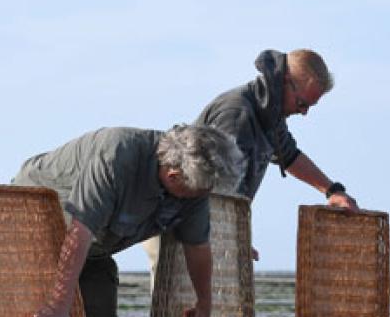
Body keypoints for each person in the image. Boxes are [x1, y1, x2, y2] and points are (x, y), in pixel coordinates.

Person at [13, 124, 240, 317]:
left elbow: (197, 246)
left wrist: (204, 302)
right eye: (199, 191)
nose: (202, 196)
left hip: (93, 252)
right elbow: (79, 232)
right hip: (32, 231)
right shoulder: (117, 155)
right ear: (173, 176)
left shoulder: (194, 189)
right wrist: (59, 305)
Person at [142, 48, 358, 270]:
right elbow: (218, 184)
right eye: (302, 104)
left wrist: (332, 191)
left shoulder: (272, 116)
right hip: (175, 219)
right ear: (285, 81)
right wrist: (233, 235)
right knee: (178, 289)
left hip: (210, 221)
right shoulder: (237, 115)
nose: (304, 113)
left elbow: (289, 156)